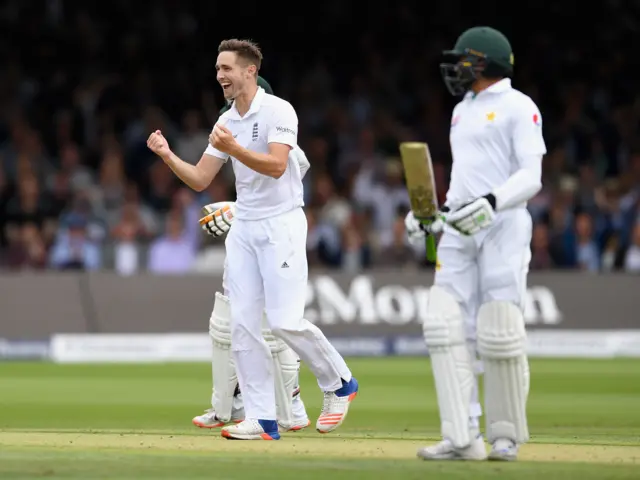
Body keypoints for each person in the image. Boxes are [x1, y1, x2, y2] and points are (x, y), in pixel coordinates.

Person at [147, 39, 357, 441]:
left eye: (226, 68)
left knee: (283, 322)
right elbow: (201, 179)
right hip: (245, 226)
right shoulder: (227, 120)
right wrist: (167, 155)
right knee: (242, 325)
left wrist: (234, 148)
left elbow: (278, 166)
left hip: (282, 225)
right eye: (217, 69)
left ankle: (340, 384)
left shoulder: (279, 110)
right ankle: (262, 418)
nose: (220, 76)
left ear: (249, 71)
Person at [405, 26, 546, 461]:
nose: (456, 68)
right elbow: (465, 180)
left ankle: (504, 435)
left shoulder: (519, 106)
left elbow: (531, 177)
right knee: (445, 326)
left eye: (463, 59)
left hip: (503, 225)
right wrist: (430, 216)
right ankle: (462, 435)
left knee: (499, 328)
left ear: (484, 61)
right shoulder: (462, 109)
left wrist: (492, 202)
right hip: (460, 227)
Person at [191, 76, 312, 433]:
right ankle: (228, 404)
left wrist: (237, 211)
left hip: (277, 236)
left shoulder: (283, 135)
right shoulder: (232, 126)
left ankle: (291, 402)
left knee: (277, 326)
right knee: (226, 321)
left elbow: (285, 187)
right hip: (248, 234)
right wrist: (239, 212)